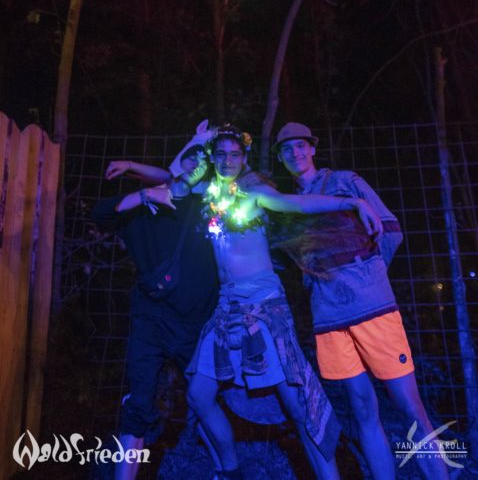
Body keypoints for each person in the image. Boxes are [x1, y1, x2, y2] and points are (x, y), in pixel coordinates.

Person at [179, 124, 383, 480]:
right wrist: (196, 141)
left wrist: (351, 201)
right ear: (213, 158)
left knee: (298, 404)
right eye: (221, 154)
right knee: (198, 394)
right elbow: (173, 180)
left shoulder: (255, 194)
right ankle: (231, 471)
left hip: (264, 306)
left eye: (234, 155)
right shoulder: (209, 195)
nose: (227, 161)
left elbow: (298, 204)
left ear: (244, 157)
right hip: (227, 307)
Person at [272, 122, 449, 480]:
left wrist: (365, 274)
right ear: (280, 157)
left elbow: (390, 229)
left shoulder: (345, 182)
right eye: (287, 148)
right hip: (329, 319)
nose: (295, 153)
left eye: (301, 145)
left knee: (410, 407)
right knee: (362, 409)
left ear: (313, 148)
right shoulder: (286, 207)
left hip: (373, 309)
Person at [91, 144, 219, 480]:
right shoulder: (144, 206)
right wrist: (146, 194)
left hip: (196, 324)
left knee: (209, 401)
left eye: (203, 162)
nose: (196, 164)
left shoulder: (210, 207)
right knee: (139, 402)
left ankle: (225, 471)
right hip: (150, 322)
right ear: (178, 158)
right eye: (191, 156)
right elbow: (101, 214)